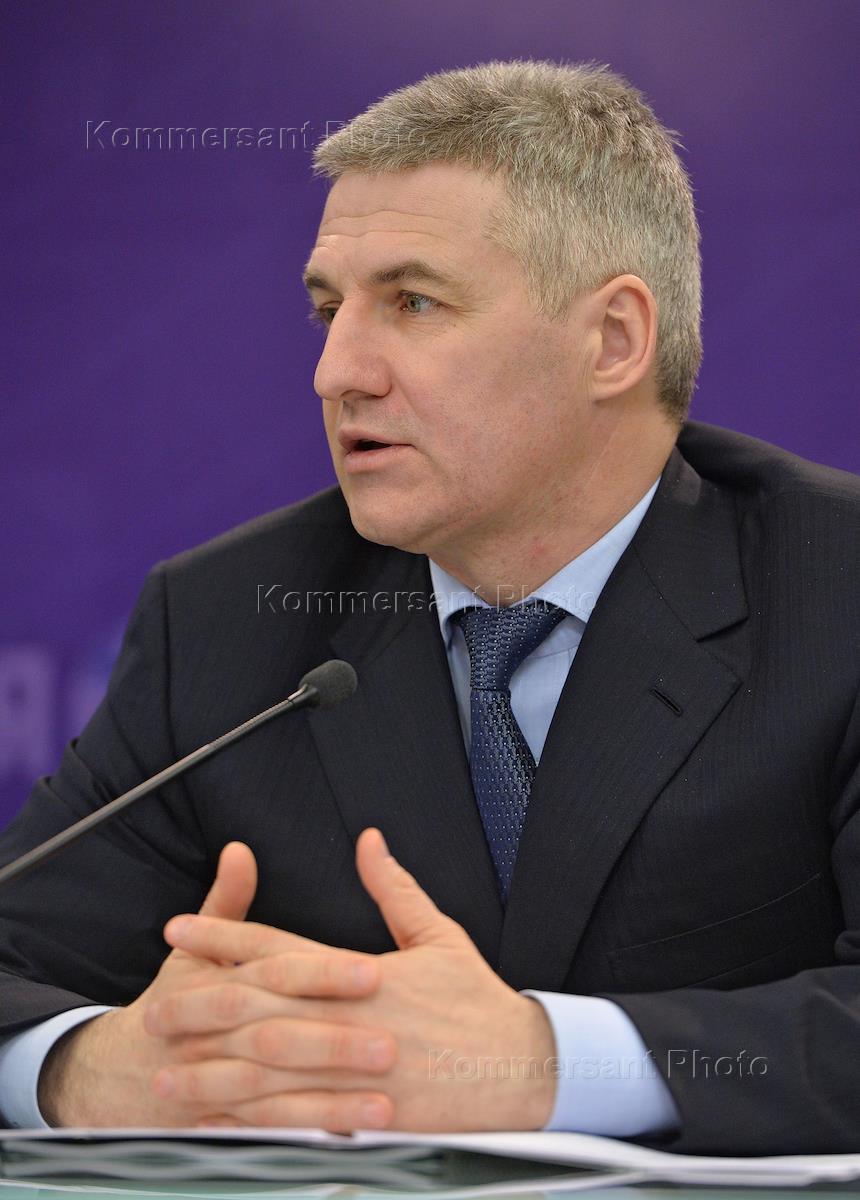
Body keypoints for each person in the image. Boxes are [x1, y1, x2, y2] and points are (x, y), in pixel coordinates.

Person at [0, 59, 857, 1154]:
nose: (335, 372)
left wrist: (545, 1066)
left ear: (612, 340)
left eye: (412, 302)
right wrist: (84, 1071)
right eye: (327, 310)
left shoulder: (835, 589)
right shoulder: (224, 623)